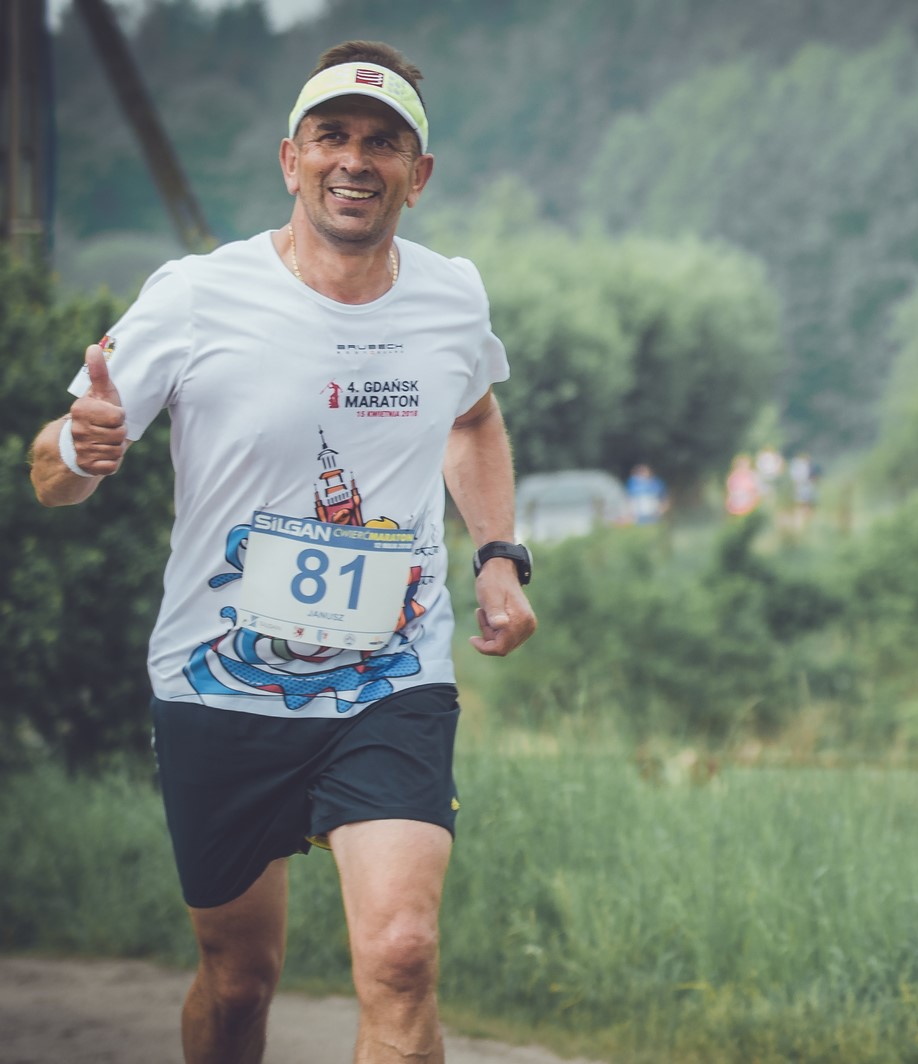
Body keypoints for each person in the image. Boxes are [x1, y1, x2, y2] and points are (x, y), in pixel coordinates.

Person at [29, 40, 537, 1064]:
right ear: (290, 159)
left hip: (390, 675)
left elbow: (473, 417)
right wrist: (80, 450)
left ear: (418, 175)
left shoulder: (451, 298)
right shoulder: (196, 295)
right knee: (238, 982)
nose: (355, 159)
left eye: (383, 143)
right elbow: (52, 470)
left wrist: (496, 553)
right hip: (219, 680)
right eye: (332, 136)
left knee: (401, 956)